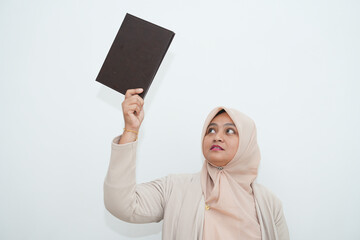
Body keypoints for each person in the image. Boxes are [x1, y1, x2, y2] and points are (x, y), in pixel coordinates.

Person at [104, 88, 290, 240]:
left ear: (247, 143)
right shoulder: (174, 188)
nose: (217, 137)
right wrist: (130, 129)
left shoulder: (268, 203)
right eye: (211, 130)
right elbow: (122, 205)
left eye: (230, 131)